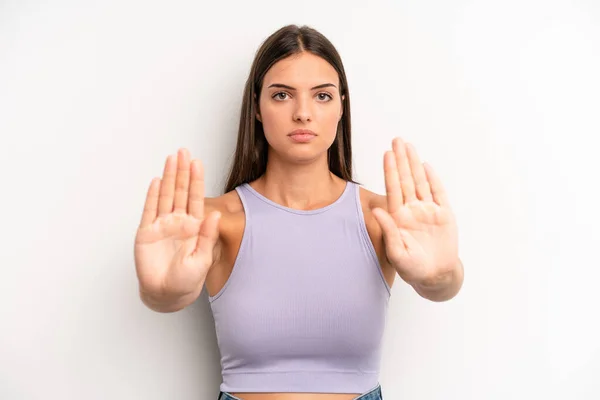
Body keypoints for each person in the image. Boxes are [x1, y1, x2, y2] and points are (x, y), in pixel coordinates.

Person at [134, 24, 464, 400]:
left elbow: (443, 284)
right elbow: (167, 296)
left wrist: (439, 276)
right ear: (257, 107)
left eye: (322, 96)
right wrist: (161, 292)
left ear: (342, 105)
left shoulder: (384, 217)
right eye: (282, 96)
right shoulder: (213, 221)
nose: (303, 113)